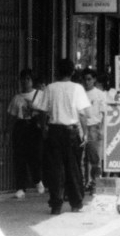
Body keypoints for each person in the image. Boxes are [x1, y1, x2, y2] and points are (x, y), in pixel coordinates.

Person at [33, 59, 91, 214]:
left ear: (57, 71)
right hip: (71, 131)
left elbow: (43, 111)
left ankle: (56, 203)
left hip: (54, 131)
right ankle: (76, 202)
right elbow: (83, 114)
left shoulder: (50, 88)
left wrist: (44, 127)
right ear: (72, 72)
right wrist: (85, 133)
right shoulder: (77, 88)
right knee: (74, 168)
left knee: (55, 169)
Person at [7, 68, 45, 199]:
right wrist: (8, 132)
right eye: (23, 79)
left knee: (36, 155)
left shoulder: (39, 95)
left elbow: (45, 111)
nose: (25, 82)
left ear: (32, 80)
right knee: (20, 157)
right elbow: (11, 116)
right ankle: (20, 187)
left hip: (34, 127)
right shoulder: (16, 98)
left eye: (28, 79)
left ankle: (37, 180)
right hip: (21, 127)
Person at [82, 68, 108, 197]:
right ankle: (84, 183)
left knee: (94, 157)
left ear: (94, 80)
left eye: (89, 79)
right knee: (82, 158)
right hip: (82, 126)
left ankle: (94, 182)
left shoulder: (100, 94)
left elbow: (104, 113)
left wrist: (102, 129)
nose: (87, 82)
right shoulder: (80, 93)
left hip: (94, 126)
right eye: (85, 79)